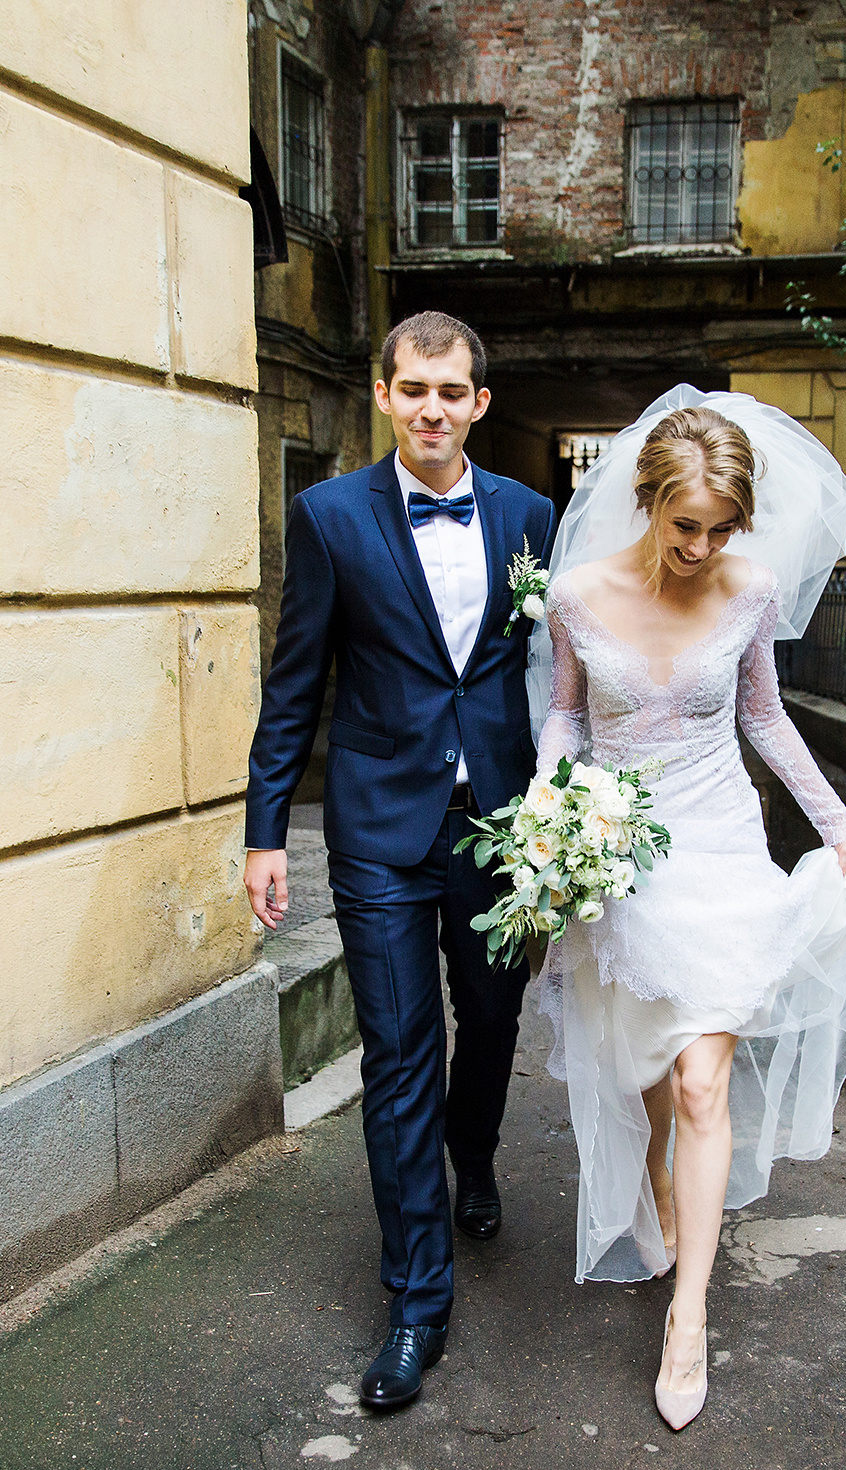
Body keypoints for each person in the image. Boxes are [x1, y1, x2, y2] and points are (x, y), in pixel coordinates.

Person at [530, 388, 846, 1430]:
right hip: (623, 855)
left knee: (698, 1081)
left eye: (722, 528)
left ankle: (687, 1318)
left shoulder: (750, 589)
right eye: (687, 525)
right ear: (646, 504)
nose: (702, 546)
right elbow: (563, 715)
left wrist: (834, 824)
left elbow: (764, 717)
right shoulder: (579, 595)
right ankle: (656, 1177)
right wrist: (554, 810)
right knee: (645, 1058)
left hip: (722, 844)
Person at [244, 312, 556, 1411]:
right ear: (386, 395)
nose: (432, 407)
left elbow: (544, 675)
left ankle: (475, 1158)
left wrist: (569, 815)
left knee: (494, 1021)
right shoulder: (329, 518)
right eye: (413, 388)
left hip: (497, 827)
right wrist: (266, 830)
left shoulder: (530, 516)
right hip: (378, 830)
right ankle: (417, 1303)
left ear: (480, 403)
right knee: (398, 1055)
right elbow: (296, 682)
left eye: (452, 390)